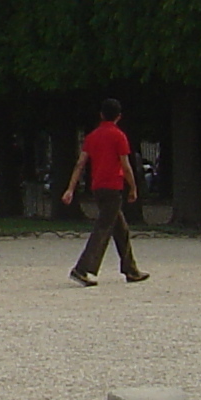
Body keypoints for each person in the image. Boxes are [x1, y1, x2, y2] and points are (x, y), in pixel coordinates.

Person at [59, 98, 147, 287]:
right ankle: (82, 269)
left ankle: (130, 269)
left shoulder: (92, 136)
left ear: (101, 115)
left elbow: (80, 163)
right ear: (119, 117)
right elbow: (125, 165)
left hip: (97, 187)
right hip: (113, 187)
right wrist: (133, 187)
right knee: (103, 228)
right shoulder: (119, 136)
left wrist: (70, 188)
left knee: (120, 229)